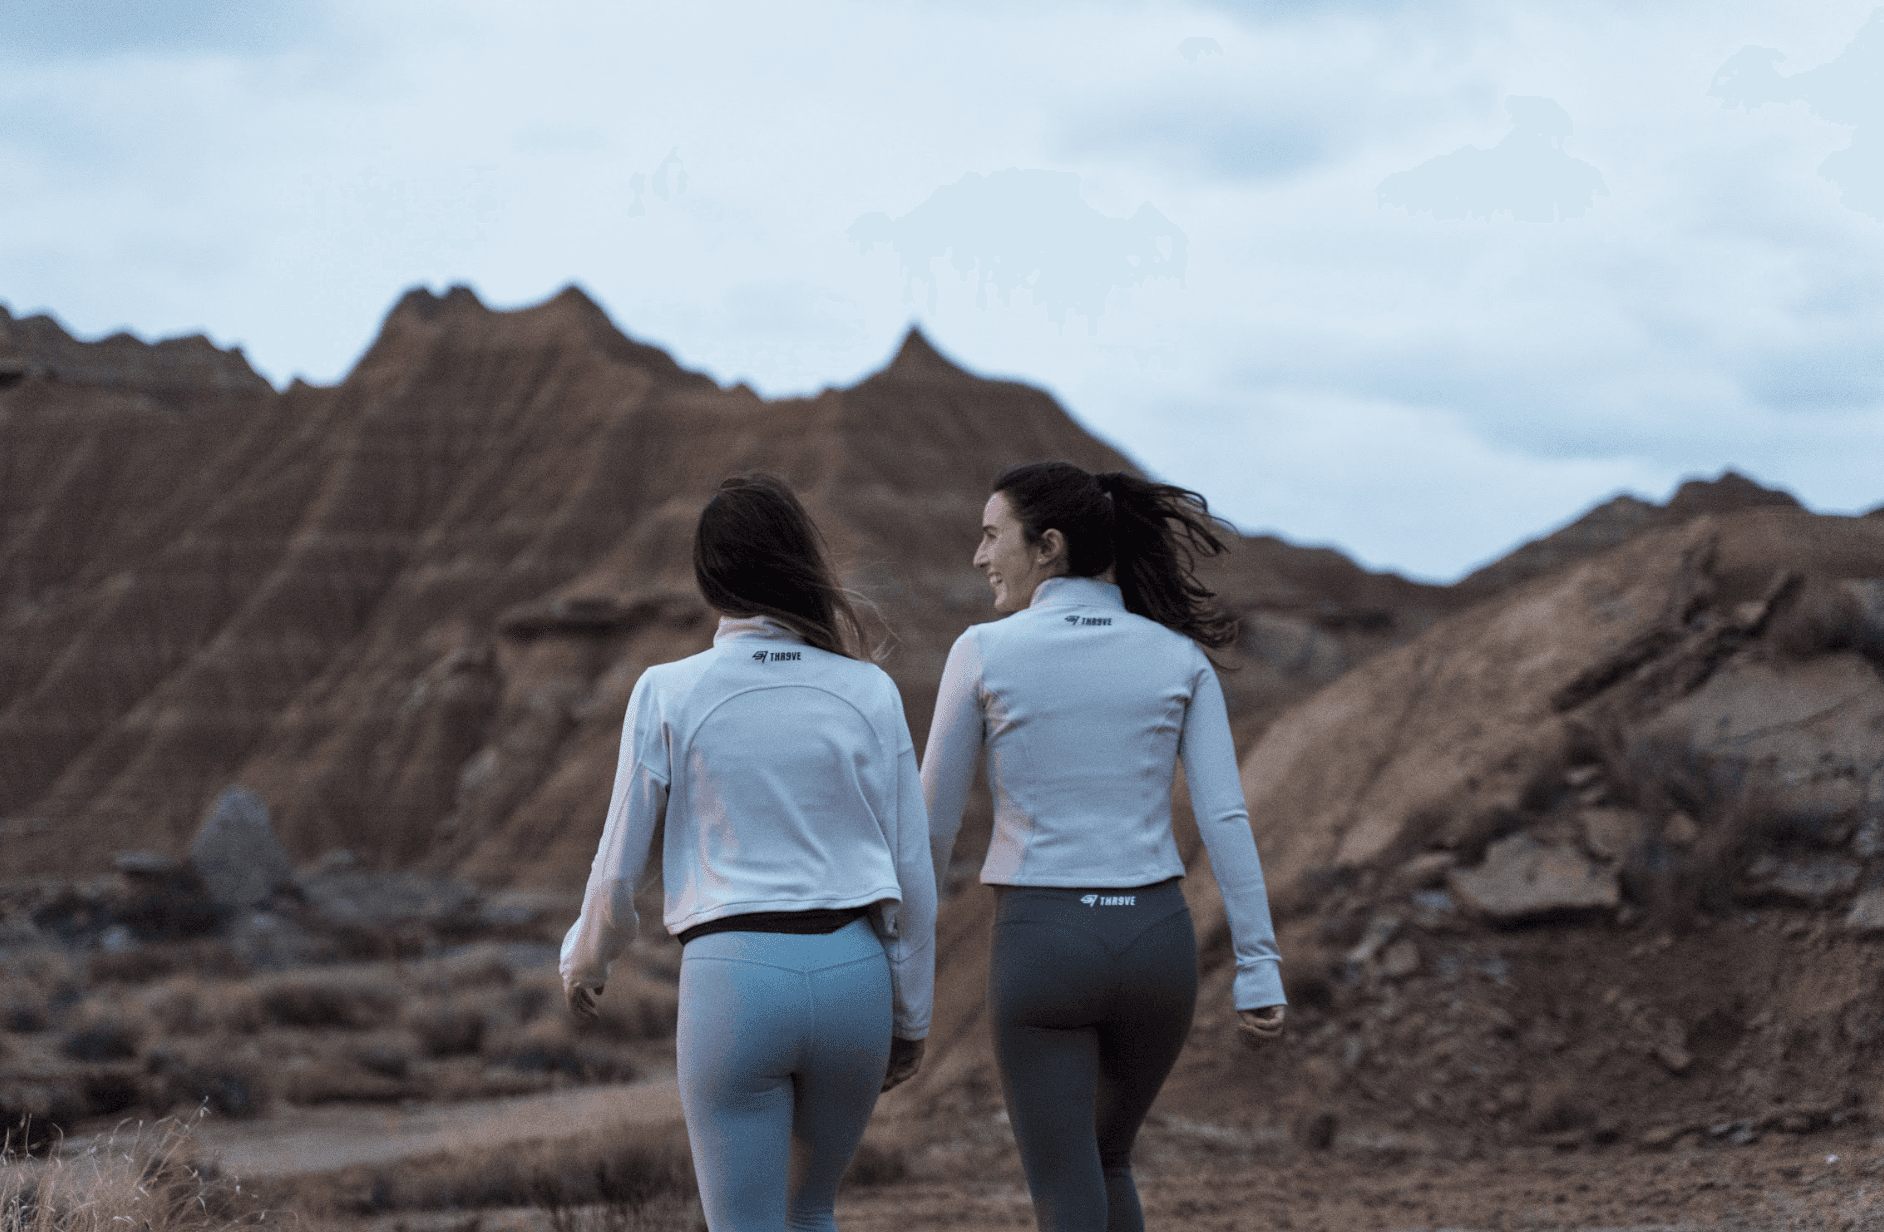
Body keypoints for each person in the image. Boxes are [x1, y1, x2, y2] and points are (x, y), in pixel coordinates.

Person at [562, 473, 935, 1232]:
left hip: (735, 979)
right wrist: (912, 1014)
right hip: (853, 978)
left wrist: (586, 961)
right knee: (812, 1213)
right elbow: (912, 873)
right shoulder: (870, 691)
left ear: (711, 578)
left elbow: (618, 865)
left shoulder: (668, 690)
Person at [922, 461, 1286, 1232]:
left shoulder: (983, 651)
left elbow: (932, 826)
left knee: (1064, 1186)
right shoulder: (1178, 657)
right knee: (1106, 1159)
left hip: (1045, 944)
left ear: (1047, 546)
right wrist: (1258, 966)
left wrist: (903, 967)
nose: (979, 556)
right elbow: (1226, 818)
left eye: (992, 537)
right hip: (1157, 945)